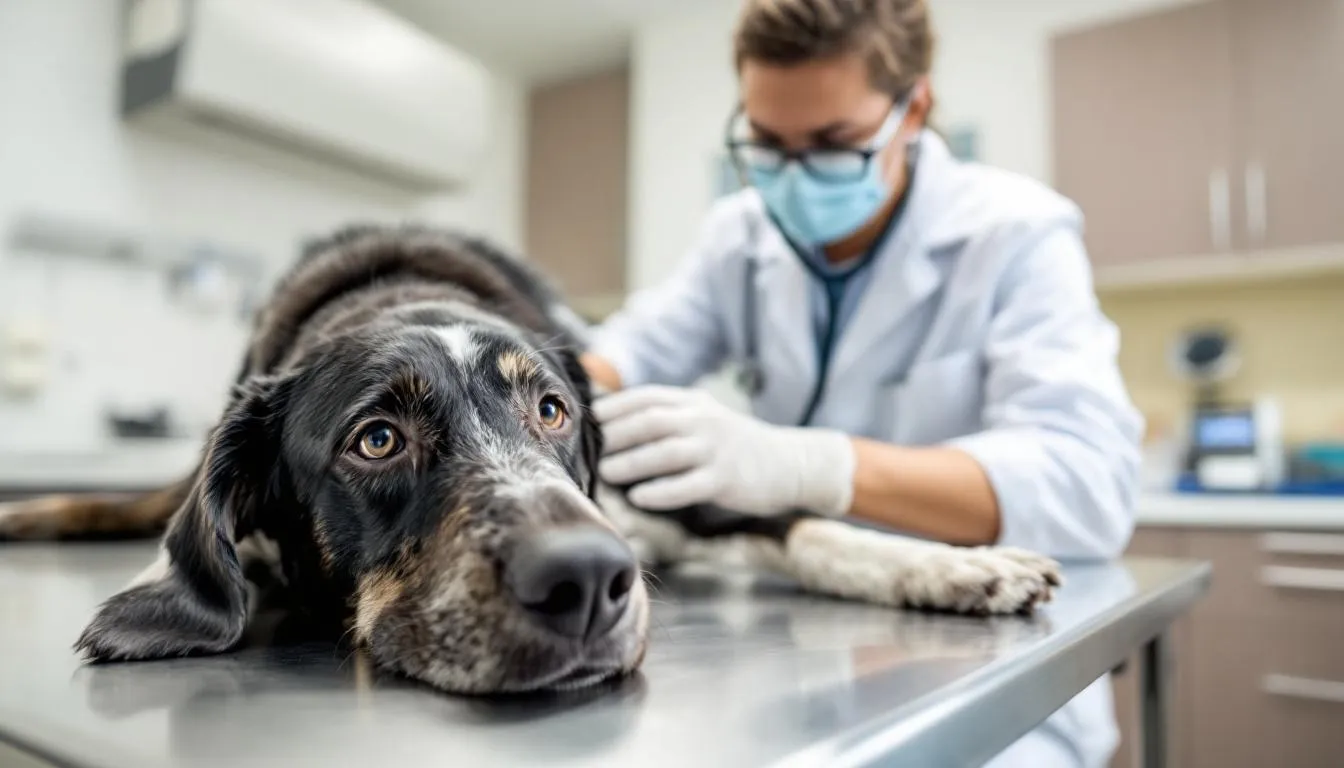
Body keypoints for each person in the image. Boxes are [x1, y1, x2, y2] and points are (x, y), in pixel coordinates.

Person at [582, 0, 1144, 766]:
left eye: (833, 144)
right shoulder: (739, 238)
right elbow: (624, 353)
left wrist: (811, 466)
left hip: (999, 675)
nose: (792, 174)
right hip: (813, 648)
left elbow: (1088, 484)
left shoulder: (1015, 234)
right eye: (767, 143)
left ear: (914, 109)